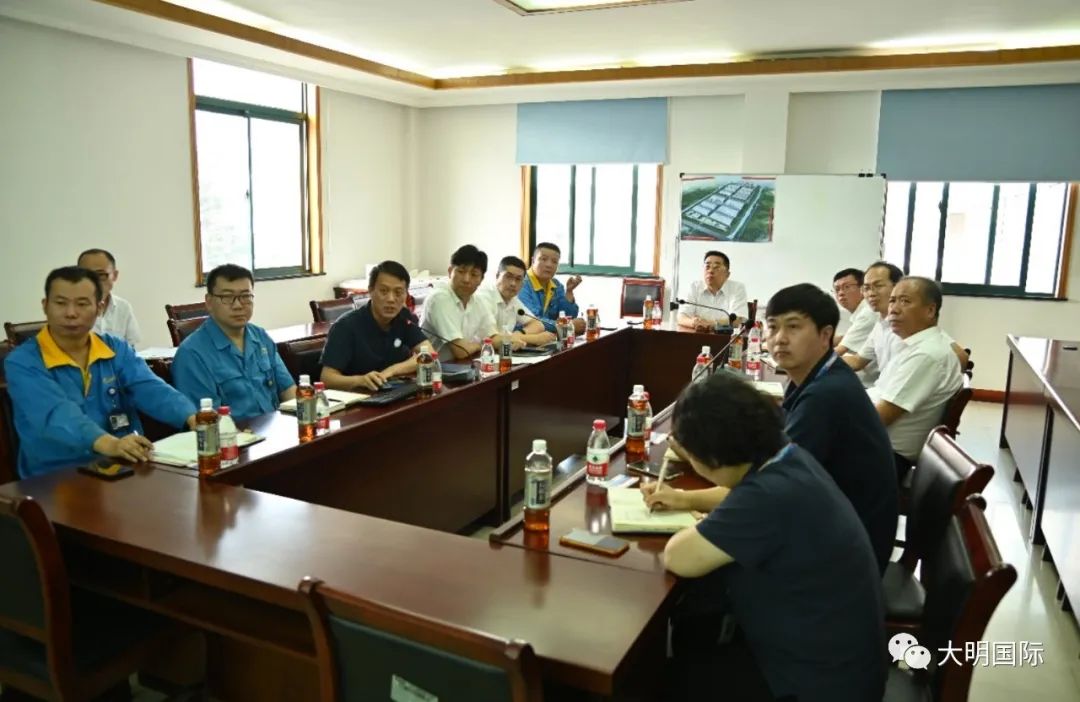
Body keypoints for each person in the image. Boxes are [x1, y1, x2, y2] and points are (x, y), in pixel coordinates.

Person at [647, 374, 886, 702]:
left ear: (711, 458)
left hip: (813, 683)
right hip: (838, 660)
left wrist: (705, 523)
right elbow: (739, 499)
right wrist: (687, 501)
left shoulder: (768, 496)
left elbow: (679, 557)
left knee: (666, 679)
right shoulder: (788, 457)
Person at [4, 267, 195, 478]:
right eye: (60, 303)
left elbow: (150, 388)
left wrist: (192, 416)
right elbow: (55, 414)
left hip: (123, 464)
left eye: (82, 304)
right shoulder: (23, 361)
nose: (71, 313)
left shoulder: (115, 348)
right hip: (56, 476)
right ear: (45, 306)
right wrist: (110, 444)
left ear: (99, 308)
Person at [764, 284, 898, 574]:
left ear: (825, 335)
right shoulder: (821, 374)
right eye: (772, 327)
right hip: (842, 530)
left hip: (845, 560)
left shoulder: (826, 396)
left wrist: (690, 497)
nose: (779, 339)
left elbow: (776, 483)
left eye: (793, 327)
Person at [172, 264, 296, 419]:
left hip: (275, 428)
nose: (238, 305)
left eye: (245, 296)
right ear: (209, 302)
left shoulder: (261, 337)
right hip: (232, 433)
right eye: (227, 297)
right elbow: (207, 420)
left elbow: (288, 390)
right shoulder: (192, 354)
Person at [870, 277, 964, 479]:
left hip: (883, 456)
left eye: (905, 301)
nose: (893, 309)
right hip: (878, 445)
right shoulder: (913, 345)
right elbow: (879, 393)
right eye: (892, 300)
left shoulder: (926, 355)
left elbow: (878, 418)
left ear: (930, 310)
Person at [319, 261, 429, 392]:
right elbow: (327, 378)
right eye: (384, 291)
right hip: (358, 397)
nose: (391, 299)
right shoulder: (345, 326)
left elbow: (429, 354)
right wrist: (360, 380)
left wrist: (392, 370)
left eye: (398, 292)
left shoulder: (403, 318)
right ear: (370, 290)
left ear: (406, 294)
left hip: (393, 392)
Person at [421, 245, 521, 360]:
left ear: (481, 279)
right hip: (434, 368)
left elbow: (492, 337)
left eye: (474, 274)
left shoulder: (478, 301)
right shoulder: (439, 299)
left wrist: (510, 340)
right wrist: (482, 345)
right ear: (450, 271)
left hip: (462, 365)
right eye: (461, 271)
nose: (466, 279)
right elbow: (461, 350)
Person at [842, 261, 905, 385]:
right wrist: (820, 362)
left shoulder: (905, 328)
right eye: (866, 288)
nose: (871, 293)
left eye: (878, 286)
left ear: (898, 287)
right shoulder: (881, 324)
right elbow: (857, 361)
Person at [480, 256, 557, 347]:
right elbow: (491, 340)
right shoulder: (484, 297)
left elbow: (537, 324)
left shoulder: (513, 300)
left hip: (503, 352)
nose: (513, 283)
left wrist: (519, 334)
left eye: (518, 279)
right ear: (497, 276)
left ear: (522, 283)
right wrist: (535, 338)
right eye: (508, 277)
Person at [77, 248, 142, 347]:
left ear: (115, 275)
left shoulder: (123, 307)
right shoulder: (69, 310)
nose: (93, 280)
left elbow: (132, 346)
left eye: (100, 274)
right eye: (87, 274)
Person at [517, 242, 585, 336]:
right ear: (533, 261)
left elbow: (569, 316)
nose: (549, 265)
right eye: (543, 259)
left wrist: (569, 292)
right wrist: (565, 325)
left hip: (549, 339)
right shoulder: (521, 283)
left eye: (554, 261)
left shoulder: (556, 285)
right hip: (523, 338)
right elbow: (532, 320)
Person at [677, 251, 749, 330]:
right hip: (697, 334)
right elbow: (681, 317)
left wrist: (709, 324)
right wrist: (694, 323)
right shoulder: (694, 287)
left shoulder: (737, 288)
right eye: (707, 267)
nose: (710, 271)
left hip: (725, 336)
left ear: (727, 274)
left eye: (716, 267)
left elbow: (738, 320)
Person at [831, 266, 876, 355]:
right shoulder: (861, 312)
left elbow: (839, 351)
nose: (841, 293)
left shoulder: (868, 313)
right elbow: (848, 337)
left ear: (863, 289)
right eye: (837, 289)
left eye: (846, 287)